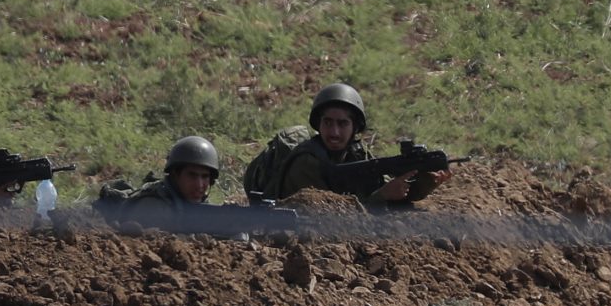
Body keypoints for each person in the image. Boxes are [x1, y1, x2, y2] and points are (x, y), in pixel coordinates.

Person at [244, 83, 449, 206]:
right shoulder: (306, 162)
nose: (334, 132)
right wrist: (380, 197)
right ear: (318, 124)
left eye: (342, 124)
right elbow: (327, 218)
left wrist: (423, 183)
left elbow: (389, 195)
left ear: (355, 128)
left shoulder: (356, 155)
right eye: (328, 123)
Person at [98, 135, 224, 218]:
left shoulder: (194, 205)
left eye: (205, 177)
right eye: (192, 176)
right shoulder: (154, 207)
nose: (200, 185)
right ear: (175, 175)